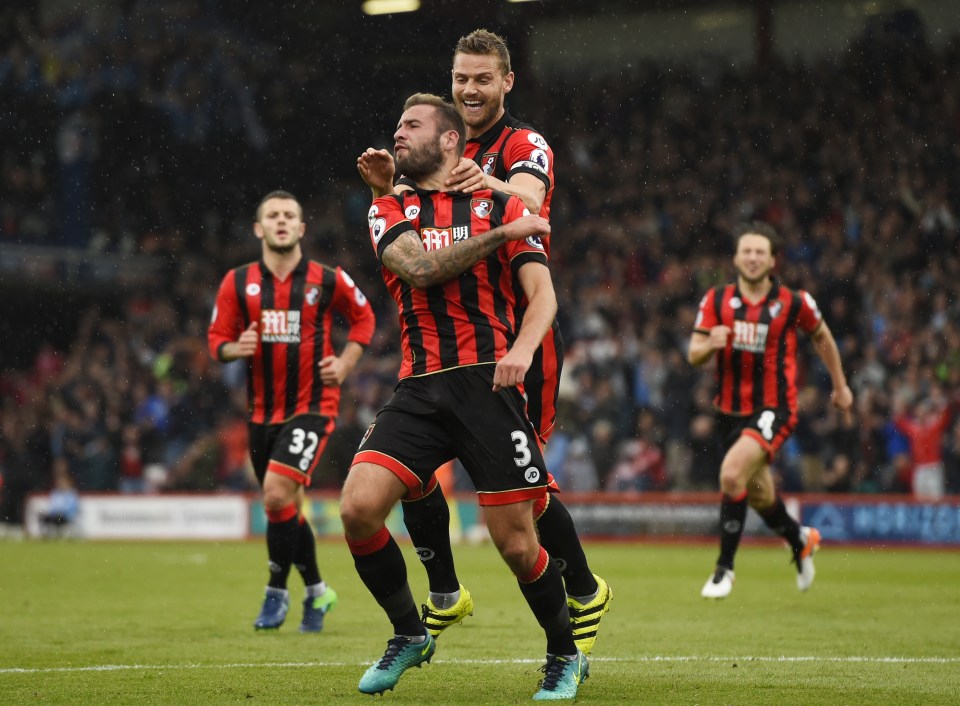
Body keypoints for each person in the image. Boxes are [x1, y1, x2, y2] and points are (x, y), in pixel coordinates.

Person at [357, 28, 611, 656]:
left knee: (524, 496)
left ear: (506, 83)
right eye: (461, 78)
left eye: (482, 79)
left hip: (517, 334)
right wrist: (387, 190)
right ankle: (444, 592)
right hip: (441, 350)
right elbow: (402, 224)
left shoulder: (523, 143)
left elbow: (530, 205)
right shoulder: (433, 146)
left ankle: (581, 588)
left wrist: (489, 184)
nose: (469, 89)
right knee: (411, 475)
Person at [208, 190, 375, 632]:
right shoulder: (237, 281)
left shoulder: (327, 278)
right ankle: (318, 592)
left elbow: (364, 319)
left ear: (302, 228)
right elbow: (216, 337)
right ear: (259, 229)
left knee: (277, 495)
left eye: (289, 216)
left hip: (313, 406)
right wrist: (231, 348)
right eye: (273, 216)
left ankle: (276, 592)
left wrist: (344, 363)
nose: (281, 221)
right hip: (261, 414)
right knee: (284, 507)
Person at [687, 221, 853, 599]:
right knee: (758, 494)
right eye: (746, 251)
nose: (752, 258)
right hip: (728, 412)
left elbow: (822, 336)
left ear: (773, 259)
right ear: (735, 257)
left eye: (760, 252)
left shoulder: (794, 302)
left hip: (774, 407)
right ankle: (799, 539)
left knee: (731, 476)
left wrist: (841, 386)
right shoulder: (715, 300)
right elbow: (694, 354)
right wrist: (710, 343)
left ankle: (723, 570)